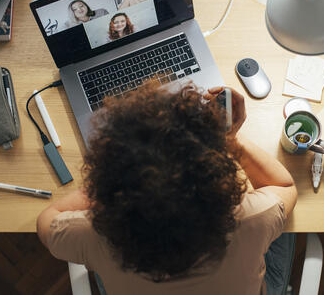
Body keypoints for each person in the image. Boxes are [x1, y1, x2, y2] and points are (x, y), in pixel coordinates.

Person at [37, 82, 298, 295]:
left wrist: (107, 183)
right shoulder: (252, 219)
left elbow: (46, 221)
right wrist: (228, 139)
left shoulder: (93, 234)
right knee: (288, 225)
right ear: (214, 179)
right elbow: (283, 185)